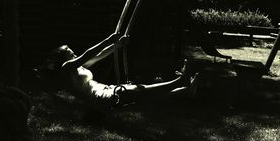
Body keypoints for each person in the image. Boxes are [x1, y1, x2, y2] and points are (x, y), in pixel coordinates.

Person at [36, 32, 199, 113]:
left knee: (145, 98)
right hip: (99, 99)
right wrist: (108, 40)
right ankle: (179, 82)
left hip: (105, 91)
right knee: (139, 90)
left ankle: (185, 92)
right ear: (64, 58)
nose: (74, 54)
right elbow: (88, 54)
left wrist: (117, 45)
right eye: (70, 53)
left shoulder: (79, 68)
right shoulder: (66, 69)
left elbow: (99, 55)